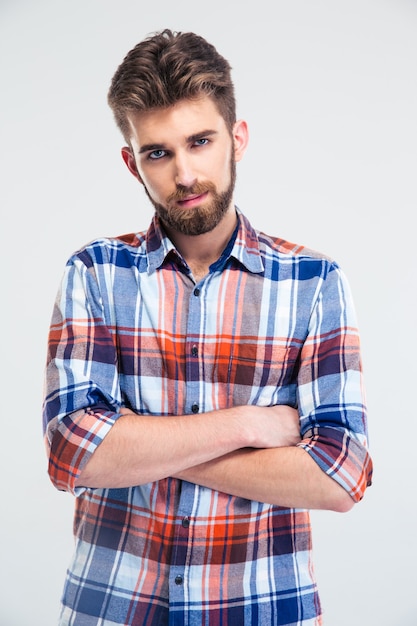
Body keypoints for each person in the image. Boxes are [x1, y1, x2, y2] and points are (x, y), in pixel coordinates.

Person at [42, 28, 373, 626]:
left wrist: (136, 446)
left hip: (265, 610)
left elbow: (340, 475)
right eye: (158, 152)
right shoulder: (93, 273)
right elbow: (73, 454)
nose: (185, 173)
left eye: (200, 141)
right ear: (131, 162)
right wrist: (251, 425)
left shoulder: (314, 282)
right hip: (114, 608)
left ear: (237, 139)